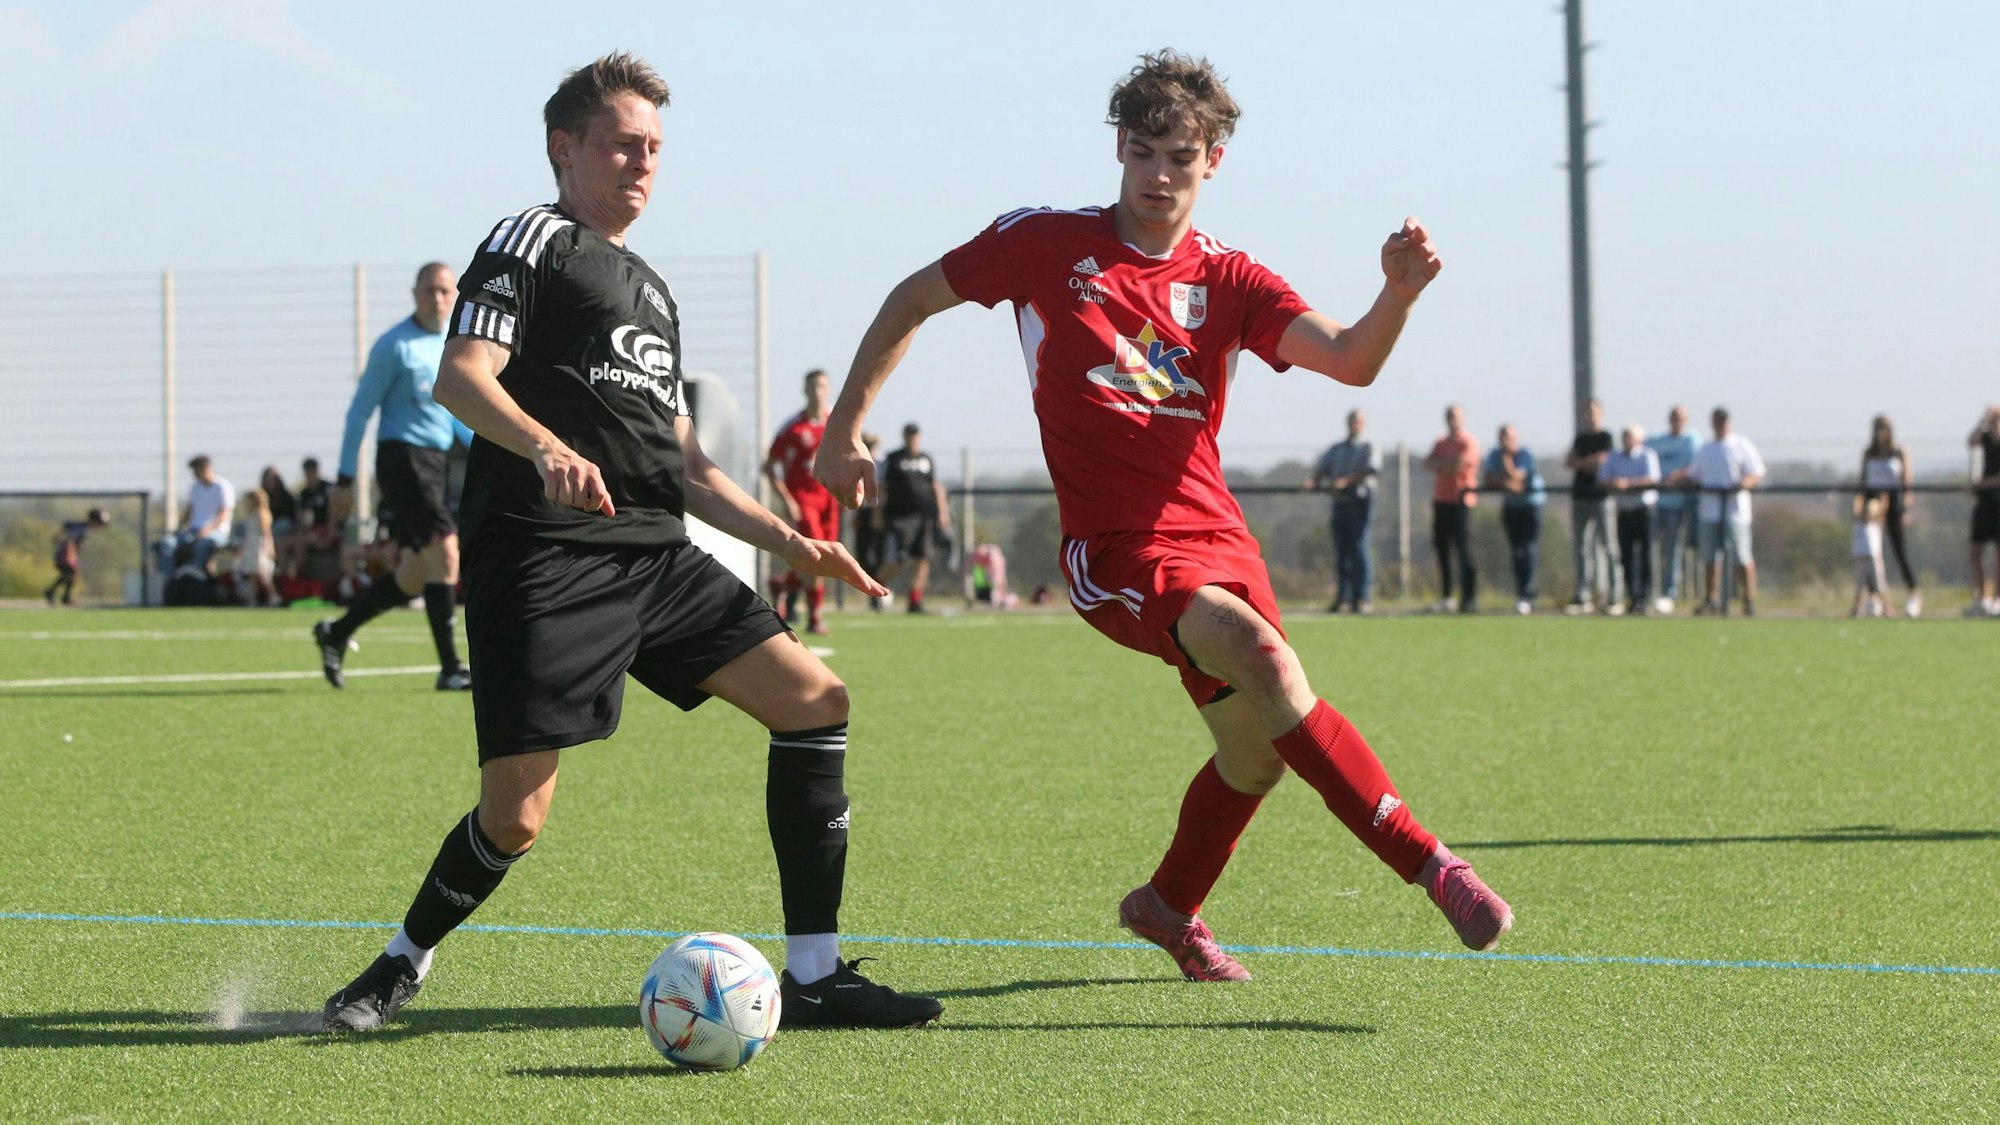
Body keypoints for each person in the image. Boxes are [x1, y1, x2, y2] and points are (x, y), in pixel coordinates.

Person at [816, 49, 1511, 982]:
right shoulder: (1044, 242)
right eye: (1142, 152)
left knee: (1255, 756)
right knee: (1268, 663)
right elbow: (912, 297)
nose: (1158, 175)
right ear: (1118, 148)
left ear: (1212, 161)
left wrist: (1398, 293)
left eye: (1180, 157)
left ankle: (1168, 905)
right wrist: (843, 427)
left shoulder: (1232, 278)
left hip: (1220, 542)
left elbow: (1352, 359)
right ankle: (1435, 865)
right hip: (1117, 551)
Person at [311, 53, 938, 1034]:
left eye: (654, 147)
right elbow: (462, 375)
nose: (642, 162)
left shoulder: (652, 290)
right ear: (564, 148)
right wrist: (546, 446)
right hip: (544, 555)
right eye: (621, 144)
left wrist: (791, 542)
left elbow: (684, 465)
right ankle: (400, 962)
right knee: (515, 817)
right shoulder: (530, 240)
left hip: (656, 556)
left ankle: (815, 976)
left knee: (816, 700)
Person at [311, 263, 477, 691]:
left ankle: (336, 632)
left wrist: (495, 446)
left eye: (445, 291)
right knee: (447, 551)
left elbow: (454, 417)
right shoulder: (394, 346)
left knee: (414, 574)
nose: (437, 298)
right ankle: (450, 668)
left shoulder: (452, 344)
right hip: (403, 459)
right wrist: (344, 480)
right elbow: (359, 412)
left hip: (435, 462)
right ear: (415, 294)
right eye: (429, 290)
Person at [763, 368, 840, 634]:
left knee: (827, 557)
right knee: (814, 554)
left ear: (829, 390)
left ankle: (783, 584)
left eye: (822, 386)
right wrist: (787, 499)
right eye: (813, 386)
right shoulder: (793, 427)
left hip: (829, 499)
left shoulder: (836, 423)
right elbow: (769, 466)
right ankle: (814, 616)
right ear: (805, 390)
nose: (818, 391)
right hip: (804, 500)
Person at [1690, 407, 1765, 615]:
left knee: (1742, 556)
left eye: (1723, 421)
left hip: (1735, 512)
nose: (1720, 425)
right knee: (1710, 558)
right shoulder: (1706, 448)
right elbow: (1694, 474)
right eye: (1717, 421)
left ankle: (1748, 600)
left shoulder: (1741, 445)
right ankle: (1711, 600)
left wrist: (1743, 483)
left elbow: (1756, 473)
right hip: (1710, 510)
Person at [1306, 408, 1378, 613]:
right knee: (1342, 550)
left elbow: (1371, 469)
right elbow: (1324, 468)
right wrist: (1314, 481)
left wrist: (1346, 481)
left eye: (1359, 421)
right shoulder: (1337, 448)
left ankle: (1362, 597)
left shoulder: (1368, 446)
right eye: (1352, 421)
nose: (1355, 424)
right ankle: (1343, 598)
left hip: (1360, 502)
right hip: (1340, 502)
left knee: (1359, 547)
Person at [880, 422, 951, 614]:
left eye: (915, 435)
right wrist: (877, 514)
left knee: (923, 558)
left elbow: (935, 486)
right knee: (897, 560)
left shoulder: (926, 459)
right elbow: (882, 487)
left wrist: (943, 513)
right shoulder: (893, 459)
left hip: (923, 517)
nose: (912, 438)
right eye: (909, 435)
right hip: (898, 517)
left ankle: (915, 600)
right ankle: (876, 588)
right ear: (904, 437)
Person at [1480, 424, 1545, 615]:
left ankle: (1529, 595)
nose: (1504, 440)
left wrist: (1506, 460)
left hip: (1531, 507)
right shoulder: (1494, 454)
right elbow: (1489, 480)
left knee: (1529, 549)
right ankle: (1520, 594)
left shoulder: (1525, 454)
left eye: (1508, 436)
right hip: (1511, 507)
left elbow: (1517, 476)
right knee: (1516, 551)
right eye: (1502, 436)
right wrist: (1507, 484)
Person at [1860, 415, 1919, 618]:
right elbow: (1863, 481)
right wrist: (1861, 506)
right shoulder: (1869, 453)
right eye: (1877, 428)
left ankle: (1913, 594)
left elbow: (1907, 482)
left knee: (1899, 551)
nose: (1880, 432)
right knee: (1871, 553)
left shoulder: (1899, 451)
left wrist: (1906, 508)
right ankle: (1876, 597)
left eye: (1883, 428)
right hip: (1872, 503)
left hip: (1894, 503)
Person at [1423, 405, 1479, 613]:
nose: (1452, 420)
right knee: (1442, 549)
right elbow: (1428, 464)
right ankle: (1447, 597)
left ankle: (1469, 598)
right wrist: (1447, 464)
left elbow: (1460, 465)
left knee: (1464, 550)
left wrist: (1443, 464)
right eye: (1449, 416)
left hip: (1461, 500)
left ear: (1462, 418)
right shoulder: (1440, 442)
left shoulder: (1468, 441)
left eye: (1456, 416)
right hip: (1441, 500)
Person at [1564, 399, 1617, 614]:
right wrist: (1588, 462)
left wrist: (1582, 462)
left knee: (1609, 546)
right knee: (1581, 547)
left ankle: (1614, 596)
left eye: (1594, 412)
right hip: (1580, 496)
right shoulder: (1580, 438)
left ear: (1601, 413)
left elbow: (1603, 462)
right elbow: (1569, 462)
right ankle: (1583, 596)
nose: (1590, 416)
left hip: (1601, 497)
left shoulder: (1606, 438)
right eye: (1587, 412)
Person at [1646, 406, 1701, 614]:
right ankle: (1648, 591)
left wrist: (1678, 476)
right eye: (1674, 417)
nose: (1677, 421)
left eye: (1680, 418)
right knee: (1650, 549)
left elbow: (1698, 466)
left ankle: (1669, 593)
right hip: (1655, 503)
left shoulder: (1692, 440)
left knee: (1673, 550)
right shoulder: (1656, 440)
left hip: (1679, 504)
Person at [1602, 424, 1660, 616]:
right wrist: (1614, 483)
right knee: (1625, 556)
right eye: (1624, 436)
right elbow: (1602, 478)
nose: (1626, 440)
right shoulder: (1615, 457)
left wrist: (1628, 484)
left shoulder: (1647, 455)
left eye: (1630, 436)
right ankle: (1632, 597)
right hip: (1624, 511)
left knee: (1646, 555)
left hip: (1644, 511)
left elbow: (1652, 478)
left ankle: (1644, 598)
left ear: (1638, 439)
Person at [157, 454, 234, 575]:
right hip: (193, 531)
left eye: (197, 472)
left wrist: (207, 531)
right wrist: (177, 529)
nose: (195, 475)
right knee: (167, 543)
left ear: (206, 469)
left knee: (201, 545)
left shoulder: (222, 487)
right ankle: (171, 579)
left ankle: (197, 577)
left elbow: (223, 515)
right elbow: (190, 511)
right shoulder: (195, 487)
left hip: (216, 532)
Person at [1965, 407, 2000, 617]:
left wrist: (1981, 484)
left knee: (1998, 553)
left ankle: (1998, 599)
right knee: (1975, 551)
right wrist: (1982, 420)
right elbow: (1971, 441)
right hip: (1984, 502)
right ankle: (1983, 598)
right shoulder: (1985, 437)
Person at [44, 508, 110, 606]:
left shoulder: (80, 526)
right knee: (70, 574)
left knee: (69, 575)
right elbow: (70, 540)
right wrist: (70, 556)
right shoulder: (81, 528)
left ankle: (60, 595)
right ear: (94, 521)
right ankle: (57, 594)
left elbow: (65, 529)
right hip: (66, 554)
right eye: (100, 524)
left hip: (67, 554)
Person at [233, 487, 278, 606]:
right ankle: (252, 599)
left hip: (258, 549)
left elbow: (267, 534)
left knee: (263, 575)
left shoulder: (261, 516)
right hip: (250, 549)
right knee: (252, 576)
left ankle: (274, 596)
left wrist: (269, 548)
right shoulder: (250, 516)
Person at [292, 457, 336, 578]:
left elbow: (334, 514)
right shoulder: (304, 494)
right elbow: (301, 519)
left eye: (313, 471)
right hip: (313, 531)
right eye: (308, 472)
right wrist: (304, 532)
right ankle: (300, 576)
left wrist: (329, 535)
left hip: (331, 529)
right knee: (298, 541)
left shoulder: (329, 489)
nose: (311, 475)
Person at [1851, 493, 1889, 618]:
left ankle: (1886, 607)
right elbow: (1856, 509)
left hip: (1874, 557)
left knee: (1880, 583)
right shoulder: (1858, 522)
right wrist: (1860, 495)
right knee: (1859, 584)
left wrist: (1884, 499)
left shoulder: (1876, 523)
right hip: (1861, 557)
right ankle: (1856, 607)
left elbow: (1883, 512)